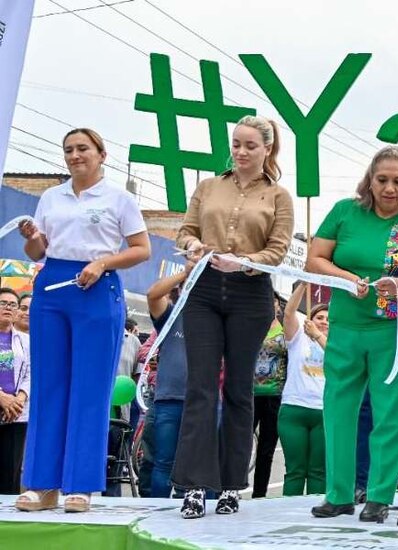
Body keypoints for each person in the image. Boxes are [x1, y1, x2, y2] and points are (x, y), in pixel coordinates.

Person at [15, 128, 151, 512]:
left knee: (90, 389)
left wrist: (104, 262)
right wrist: (32, 236)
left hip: (97, 286)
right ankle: (42, 485)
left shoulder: (118, 199)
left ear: (101, 154)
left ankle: (81, 485)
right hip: (52, 286)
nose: (75, 156)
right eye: (69, 150)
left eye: (83, 149)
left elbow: (142, 249)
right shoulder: (50, 196)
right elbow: (37, 250)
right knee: (49, 386)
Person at [306, 145, 398, 522]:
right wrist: (350, 280)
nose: (389, 188)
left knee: (391, 415)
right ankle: (338, 494)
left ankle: (380, 497)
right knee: (338, 410)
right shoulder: (344, 212)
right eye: (382, 180)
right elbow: (315, 258)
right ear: (370, 180)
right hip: (346, 328)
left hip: (394, 331)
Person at [173, 115, 294, 518]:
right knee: (200, 386)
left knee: (239, 389)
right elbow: (185, 231)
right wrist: (193, 245)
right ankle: (192, 486)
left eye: (250, 146)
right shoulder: (208, 187)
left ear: (267, 150)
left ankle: (230, 486)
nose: (241, 152)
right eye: (236, 144)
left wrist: (243, 263)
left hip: (250, 293)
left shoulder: (278, 196)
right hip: (204, 290)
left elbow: (277, 251)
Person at [145, 265, 192, 498]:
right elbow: (153, 294)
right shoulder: (170, 315)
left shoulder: (216, 322)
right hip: (169, 399)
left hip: (203, 402)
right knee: (163, 462)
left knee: (200, 463)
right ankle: (159, 512)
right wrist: (187, 272)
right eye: (187, 287)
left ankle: (201, 512)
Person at [278, 283, 328, 497]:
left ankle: (316, 515)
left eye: (328, 319)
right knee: (295, 471)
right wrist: (303, 283)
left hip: (323, 411)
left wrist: (318, 334)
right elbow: (288, 312)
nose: (324, 322)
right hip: (293, 409)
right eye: (319, 318)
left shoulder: (336, 343)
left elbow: (336, 358)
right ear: (310, 319)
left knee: (318, 472)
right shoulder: (297, 339)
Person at [252, 297, 288, 498]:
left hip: (275, 395)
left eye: (272, 300)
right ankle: (231, 489)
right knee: (240, 446)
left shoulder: (284, 333)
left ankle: (259, 494)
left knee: (266, 451)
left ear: (277, 306)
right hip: (248, 395)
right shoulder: (248, 327)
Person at [0, 287, 30, 494]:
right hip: (3, 402)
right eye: (3, 303)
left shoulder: (25, 340)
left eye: (13, 305)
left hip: (15, 413)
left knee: (10, 472)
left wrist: (19, 398)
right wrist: (1, 397)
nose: (8, 308)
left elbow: (31, 372)